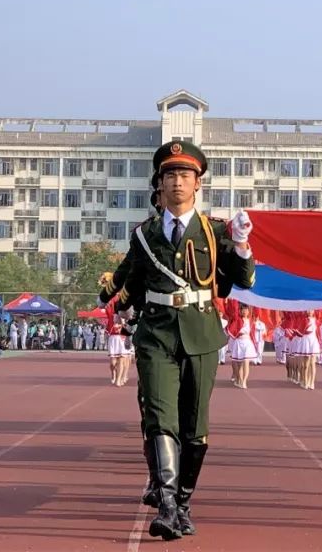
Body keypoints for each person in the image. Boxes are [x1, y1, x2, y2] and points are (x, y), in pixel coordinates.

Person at [98, 140, 255, 540]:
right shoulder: (145, 235)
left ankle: (183, 501)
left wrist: (240, 246)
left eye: (185, 175)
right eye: (170, 175)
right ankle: (168, 505)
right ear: (160, 183)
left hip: (201, 332)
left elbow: (242, 281)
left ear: (198, 184)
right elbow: (131, 279)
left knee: (195, 427)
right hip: (156, 334)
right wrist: (116, 299)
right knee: (160, 417)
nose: (177, 182)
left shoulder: (214, 230)